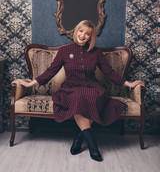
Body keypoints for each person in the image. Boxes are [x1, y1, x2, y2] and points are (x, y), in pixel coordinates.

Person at [19, 20, 144, 162]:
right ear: (76, 31)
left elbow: (109, 72)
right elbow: (51, 71)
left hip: (93, 88)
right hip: (71, 88)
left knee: (89, 97)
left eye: (87, 34)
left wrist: (129, 84)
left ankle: (79, 138)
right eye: (81, 31)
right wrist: (31, 84)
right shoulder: (65, 51)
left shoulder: (96, 53)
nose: (83, 35)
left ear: (91, 37)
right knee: (79, 97)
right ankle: (92, 145)